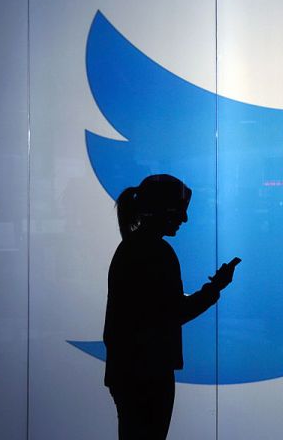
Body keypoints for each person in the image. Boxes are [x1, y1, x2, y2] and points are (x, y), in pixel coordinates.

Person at [103, 174, 240, 439]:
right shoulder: (156, 252)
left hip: (128, 371)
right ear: (163, 210)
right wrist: (215, 288)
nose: (184, 219)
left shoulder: (132, 248)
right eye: (179, 211)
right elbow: (174, 312)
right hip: (149, 373)